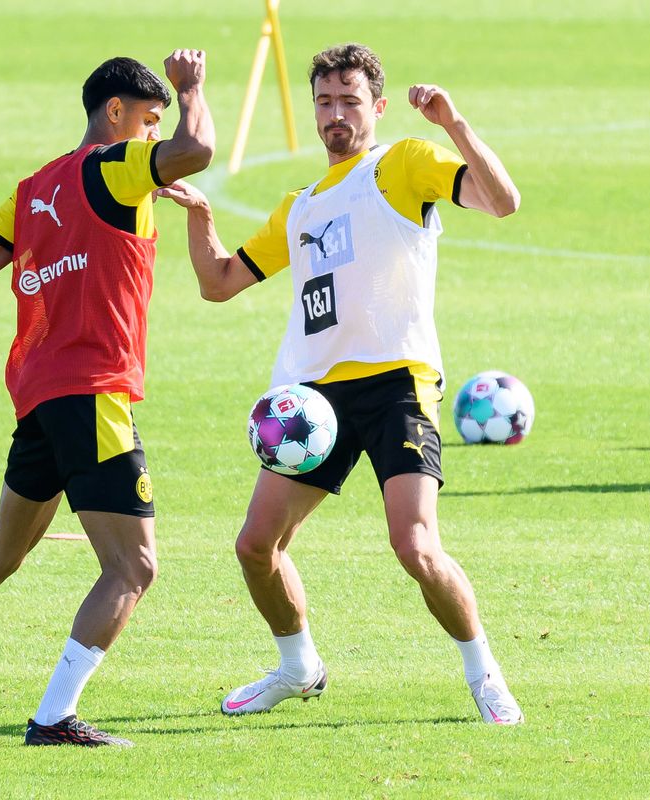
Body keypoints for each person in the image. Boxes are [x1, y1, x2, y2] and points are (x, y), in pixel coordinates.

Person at [158, 43, 524, 724]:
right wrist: (200, 217)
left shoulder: (404, 163)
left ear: (377, 107)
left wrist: (454, 124)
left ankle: (484, 672)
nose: (335, 115)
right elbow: (219, 284)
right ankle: (298, 666)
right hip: (312, 401)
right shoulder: (299, 208)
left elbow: (503, 202)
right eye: (324, 101)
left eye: (349, 101)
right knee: (254, 546)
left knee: (414, 546)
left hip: (396, 384)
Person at [0, 51, 214, 747]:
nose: (154, 136)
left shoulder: (34, 190)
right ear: (115, 114)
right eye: (148, 121)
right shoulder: (116, 168)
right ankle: (54, 715)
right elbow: (199, 150)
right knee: (134, 567)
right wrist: (191, 90)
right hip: (93, 395)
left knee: (3, 550)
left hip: (38, 397)